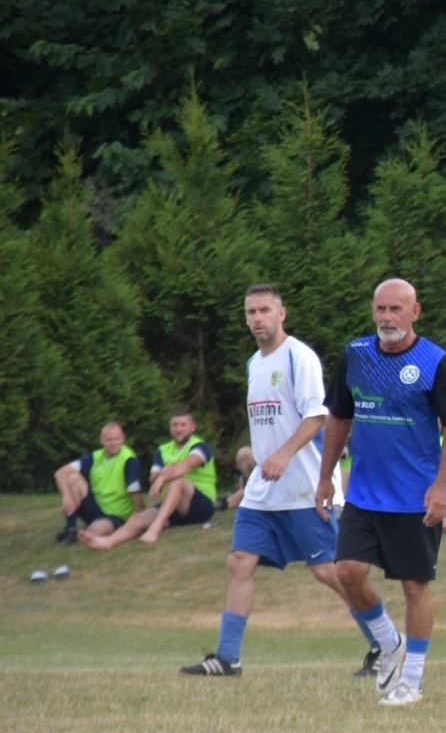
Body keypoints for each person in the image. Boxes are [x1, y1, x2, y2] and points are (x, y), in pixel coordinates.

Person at [178, 285, 374, 679]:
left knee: (329, 573)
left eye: (264, 310)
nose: (257, 318)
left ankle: (384, 643)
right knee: (239, 562)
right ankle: (227, 658)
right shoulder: (254, 363)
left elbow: (317, 417)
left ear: (282, 314)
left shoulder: (299, 357)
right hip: (264, 493)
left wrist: (283, 455)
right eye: (251, 312)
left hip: (305, 488)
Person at [316, 278, 446, 707]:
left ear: (415, 312)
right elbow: (339, 419)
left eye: (396, 310)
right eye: (380, 309)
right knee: (347, 571)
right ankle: (389, 641)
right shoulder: (356, 355)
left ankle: (413, 681)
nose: (387, 318)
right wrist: (326, 475)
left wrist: (442, 487)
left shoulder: (435, 361)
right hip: (363, 494)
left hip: (413, 498)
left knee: (415, 587)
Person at [79, 409, 218, 549]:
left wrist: (162, 477)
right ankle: (107, 542)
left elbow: (187, 465)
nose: (179, 429)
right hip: (173, 507)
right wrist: (159, 477)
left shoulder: (200, 446)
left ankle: (155, 528)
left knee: (178, 480)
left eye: (183, 425)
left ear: (192, 427)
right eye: (175, 425)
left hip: (201, 506)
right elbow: (152, 478)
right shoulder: (163, 450)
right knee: (137, 518)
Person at [53, 422, 144, 546]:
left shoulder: (129, 459)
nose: (113, 443)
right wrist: (67, 496)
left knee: (93, 532)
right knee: (72, 477)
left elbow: (135, 490)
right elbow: (60, 473)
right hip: (95, 508)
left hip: (116, 515)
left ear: (123, 439)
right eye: (109, 439)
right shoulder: (95, 457)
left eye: (117, 439)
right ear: (101, 441)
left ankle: (84, 532)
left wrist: (141, 518)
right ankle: (71, 529)